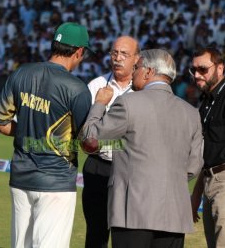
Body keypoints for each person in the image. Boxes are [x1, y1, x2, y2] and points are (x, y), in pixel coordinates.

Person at [80, 49, 203, 248]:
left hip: (133, 212)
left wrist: (99, 105)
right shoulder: (191, 113)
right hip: (174, 213)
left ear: (148, 72)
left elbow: (90, 137)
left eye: (136, 68)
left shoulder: (128, 103)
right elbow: (194, 165)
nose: (133, 75)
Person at [0, 22, 92, 248]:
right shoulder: (77, 88)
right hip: (56, 183)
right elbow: (87, 142)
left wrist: (25, 133)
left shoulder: (22, 73)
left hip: (20, 178)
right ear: (79, 52)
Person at [82, 35, 139, 248]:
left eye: (125, 54)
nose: (118, 58)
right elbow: (84, 132)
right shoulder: (96, 85)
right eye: (115, 52)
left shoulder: (144, 88)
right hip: (98, 167)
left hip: (132, 171)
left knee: (128, 234)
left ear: (136, 59)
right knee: (96, 234)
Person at [190, 47, 225, 248]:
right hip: (209, 181)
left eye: (203, 69)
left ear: (220, 68)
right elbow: (208, 153)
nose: (197, 75)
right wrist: (196, 196)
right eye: (193, 70)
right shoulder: (206, 102)